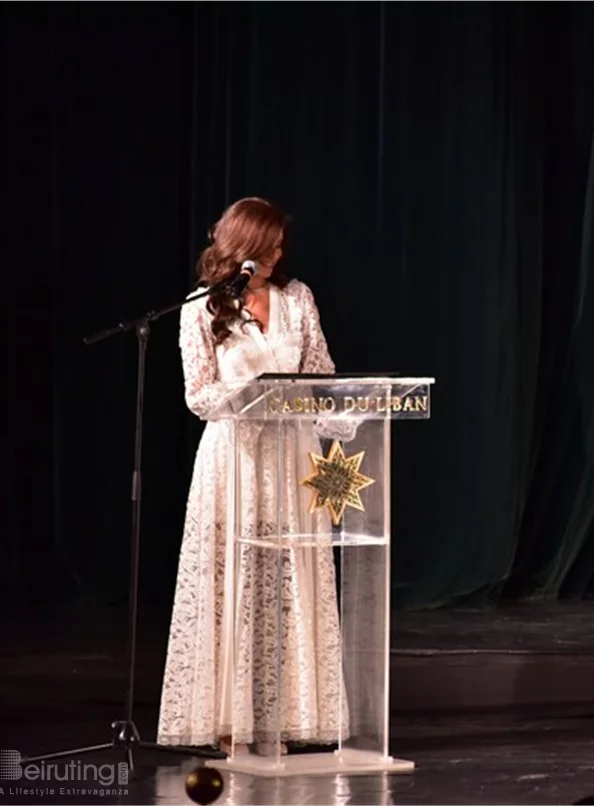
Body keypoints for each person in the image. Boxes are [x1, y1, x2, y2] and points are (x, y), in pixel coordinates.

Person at [157, 197, 348, 756]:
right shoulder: (200, 308)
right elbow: (199, 395)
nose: (278, 253)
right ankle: (227, 719)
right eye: (268, 245)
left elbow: (322, 375)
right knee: (235, 580)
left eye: (281, 245)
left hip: (293, 460)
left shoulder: (297, 298)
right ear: (242, 246)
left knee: (290, 576)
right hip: (234, 460)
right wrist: (256, 399)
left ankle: (286, 715)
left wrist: (345, 414)